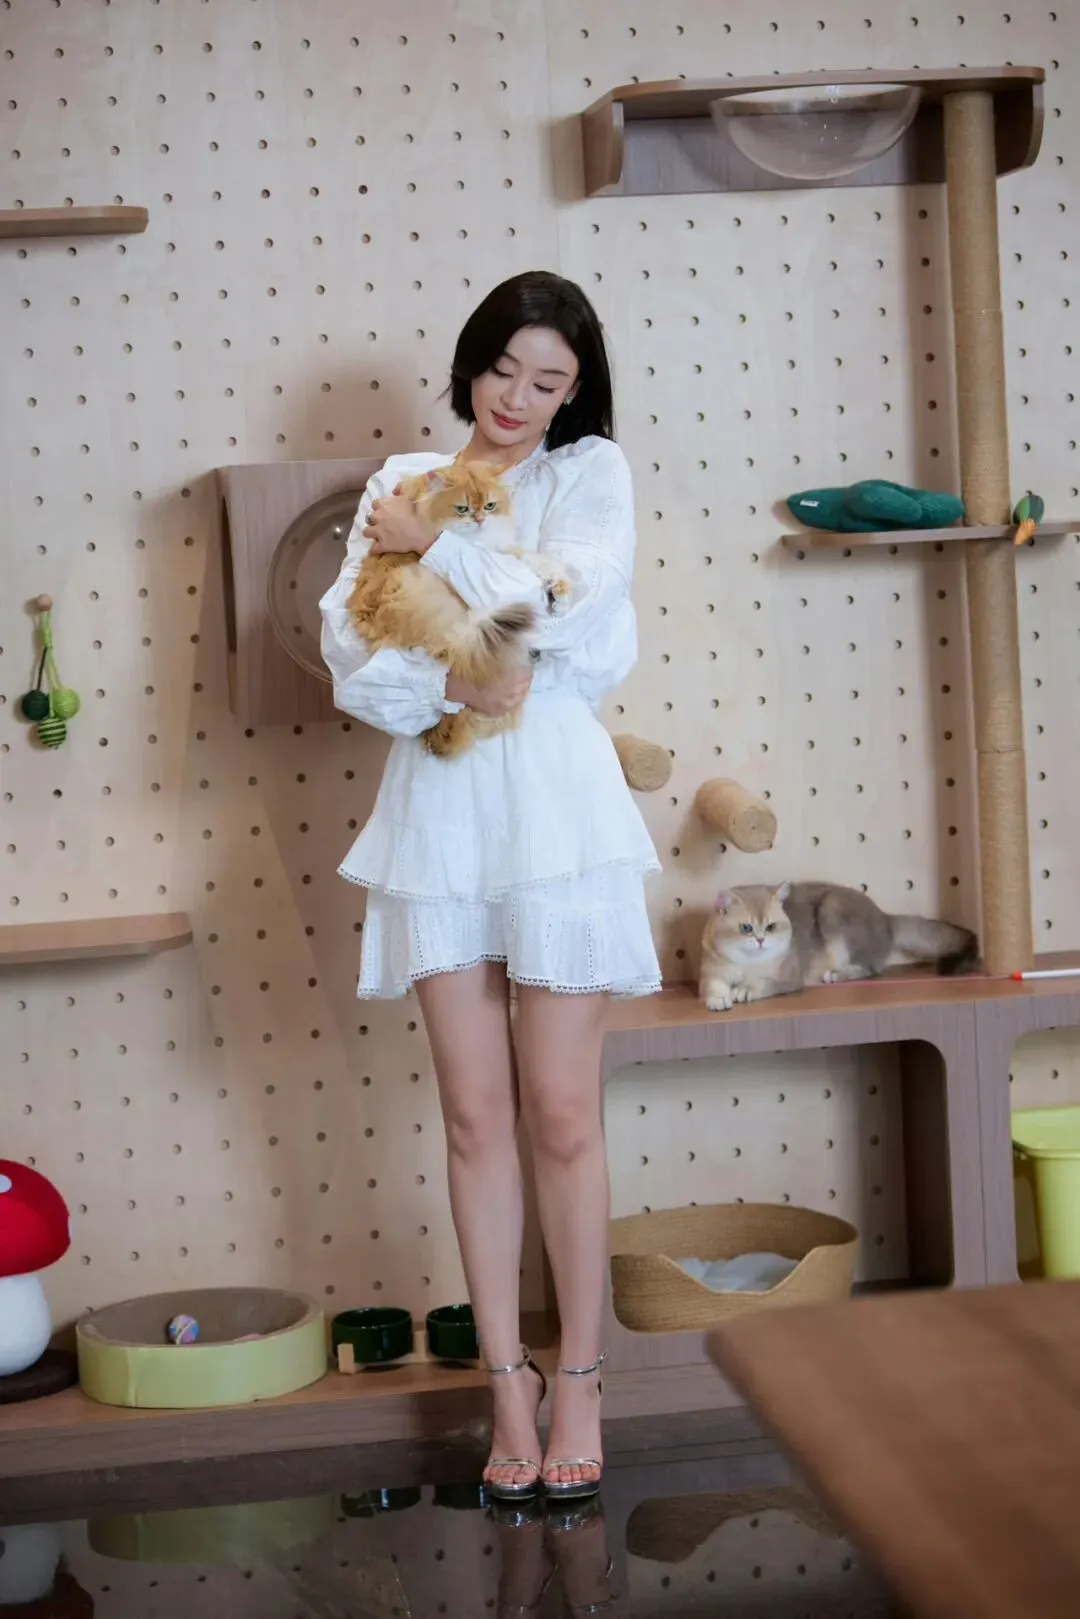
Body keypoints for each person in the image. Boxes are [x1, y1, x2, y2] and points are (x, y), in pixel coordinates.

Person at [320, 271, 660, 1502]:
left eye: (548, 380)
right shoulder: (403, 479)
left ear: (576, 391)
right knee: (474, 1118)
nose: (517, 398)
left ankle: (584, 1377)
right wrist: (452, 683)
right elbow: (352, 652)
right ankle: (506, 1385)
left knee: (562, 1112)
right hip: (442, 806)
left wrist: (444, 550)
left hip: (557, 805)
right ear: (471, 363)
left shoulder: (590, 473)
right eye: (503, 369)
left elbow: (566, 609)